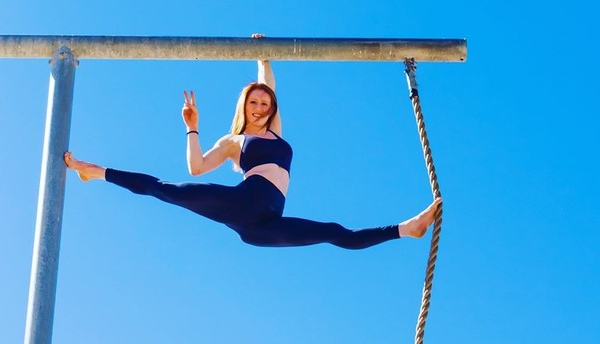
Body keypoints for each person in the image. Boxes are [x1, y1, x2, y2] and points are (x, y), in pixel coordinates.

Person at [64, 36, 440, 249]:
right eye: (254, 101)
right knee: (164, 189)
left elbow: (268, 82)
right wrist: (192, 128)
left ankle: (408, 229)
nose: (260, 105)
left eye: (265, 102)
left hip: (263, 226)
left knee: (331, 231)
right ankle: (95, 172)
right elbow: (195, 168)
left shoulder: (275, 130)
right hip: (241, 203)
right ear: (244, 105)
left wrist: (264, 55)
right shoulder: (235, 141)